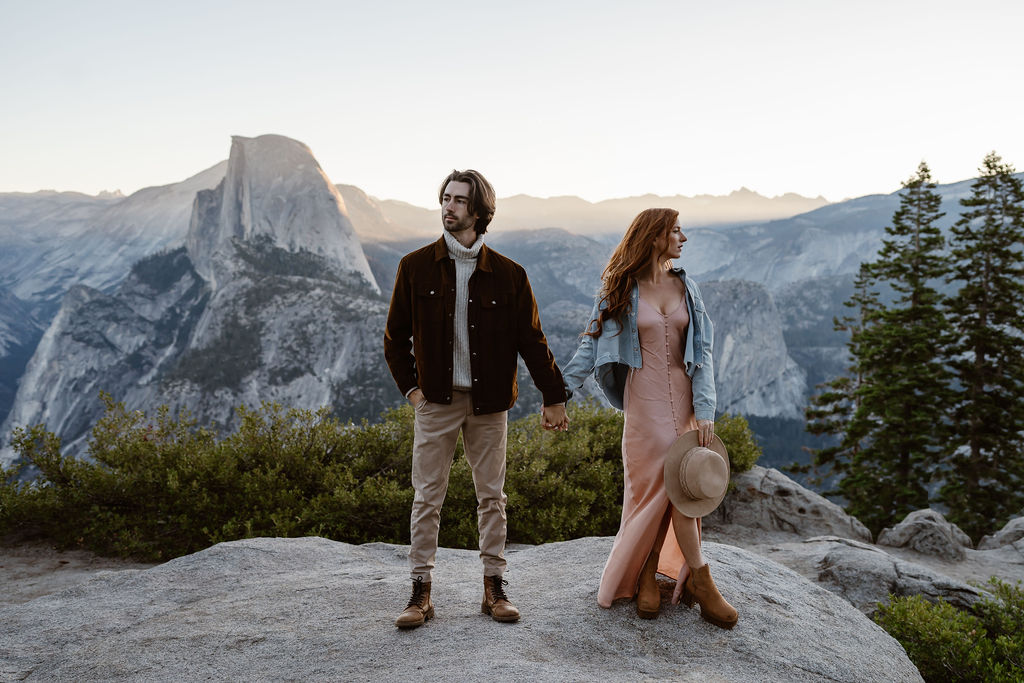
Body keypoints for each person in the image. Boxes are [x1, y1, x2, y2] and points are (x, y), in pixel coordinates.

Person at [383, 169, 569, 630]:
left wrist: (554, 396)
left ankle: (493, 587)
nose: (448, 207)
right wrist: (414, 392)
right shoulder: (415, 266)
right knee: (427, 497)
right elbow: (394, 340)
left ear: (479, 211)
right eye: (445, 198)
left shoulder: (509, 275)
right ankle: (420, 592)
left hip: (489, 405)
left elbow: (533, 341)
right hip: (436, 404)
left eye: (459, 201)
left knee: (492, 497)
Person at [561, 207, 738, 628]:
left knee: (685, 487)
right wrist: (560, 392)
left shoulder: (687, 288)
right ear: (656, 237)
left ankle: (688, 578)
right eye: (676, 231)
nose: (684, 238)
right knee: (652, 491)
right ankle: (658, 573)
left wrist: (706, 408)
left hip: (686, 400)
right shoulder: (621, 289)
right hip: (645, 405)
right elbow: (590, 345)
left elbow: (704, 353)